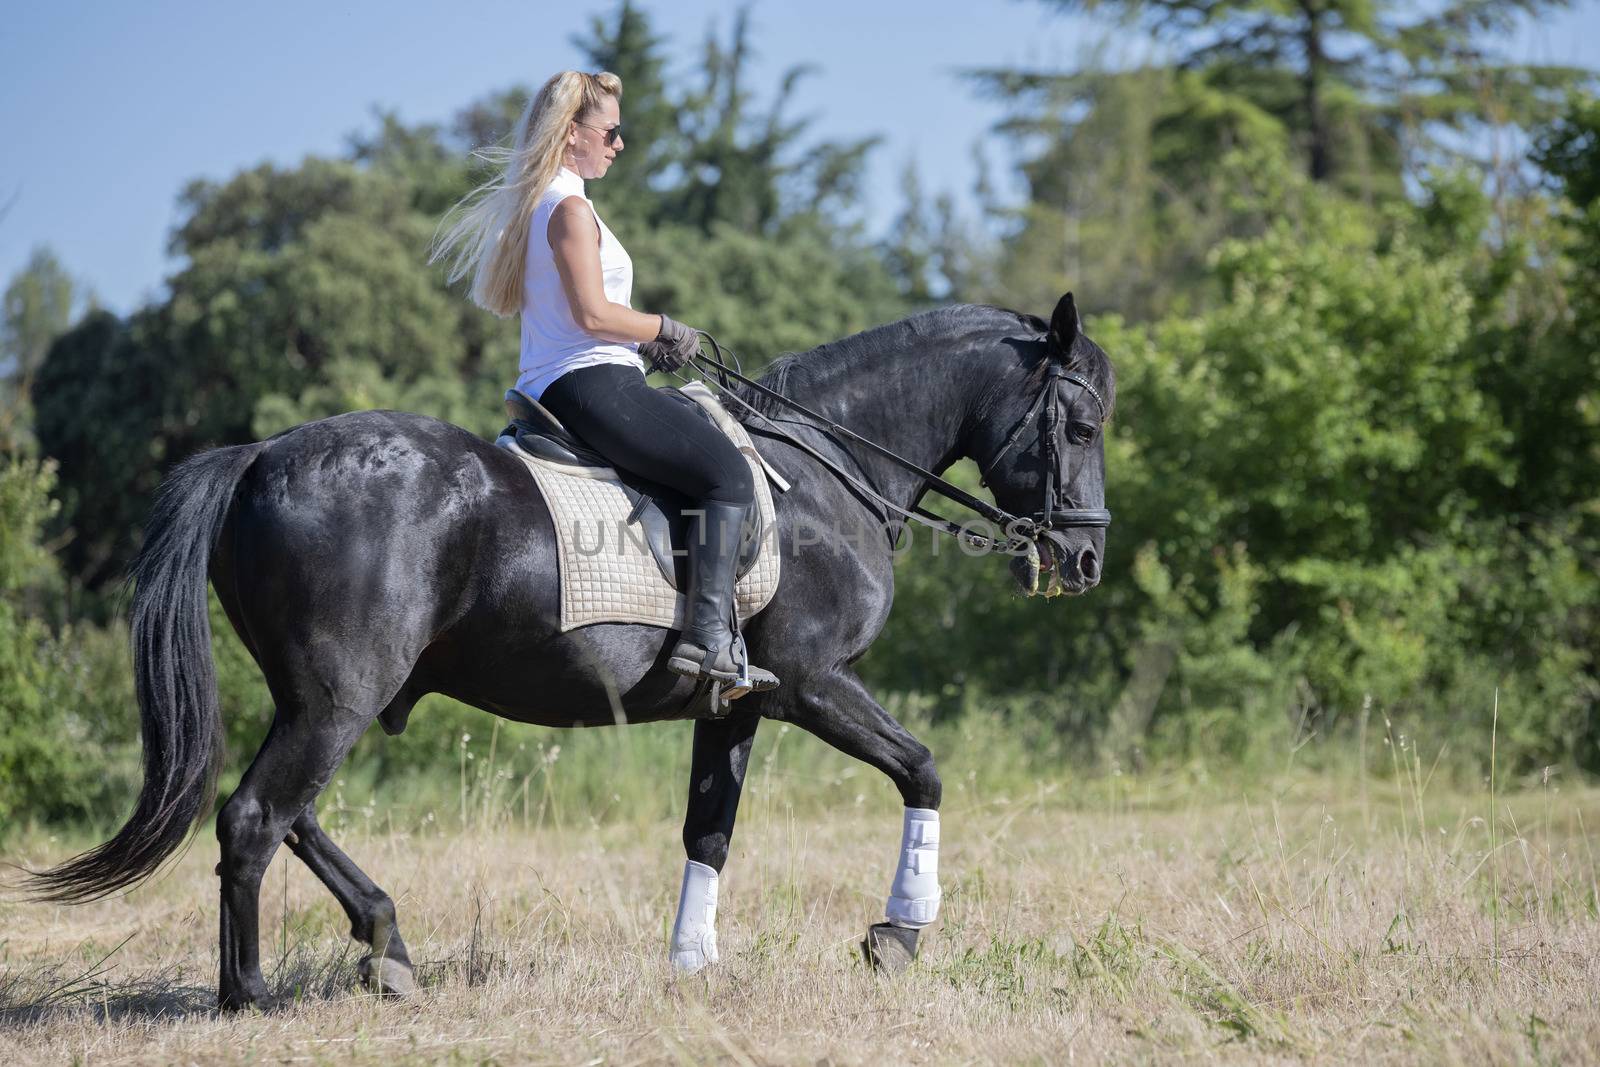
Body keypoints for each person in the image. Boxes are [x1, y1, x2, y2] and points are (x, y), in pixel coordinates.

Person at [429, 70, 778, 698]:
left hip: (575, 380)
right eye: (611, 132)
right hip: (592, 382)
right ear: (571, 136)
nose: (619, 145)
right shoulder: (568, 208)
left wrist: (645, 338)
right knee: (727, 474)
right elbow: (592, 315)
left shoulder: (548, 206)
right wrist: (663, 326)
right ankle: (709, 641)